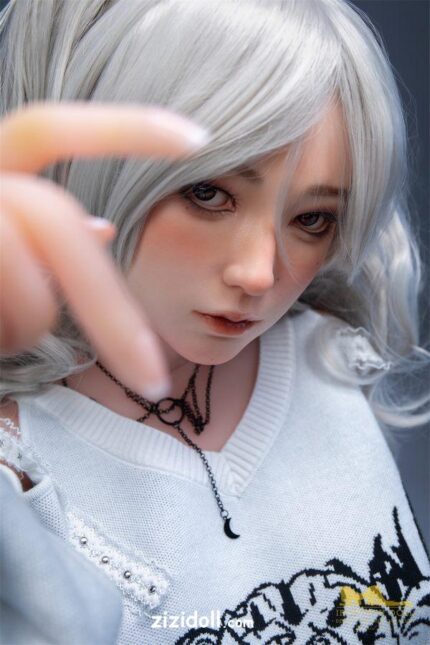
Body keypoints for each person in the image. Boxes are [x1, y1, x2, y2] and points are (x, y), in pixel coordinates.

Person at [0, 0, 429, 643]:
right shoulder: (20, 473)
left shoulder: (325, 357)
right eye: (208, 193)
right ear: (99, 171)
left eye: (311, 219)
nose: (258, 274)